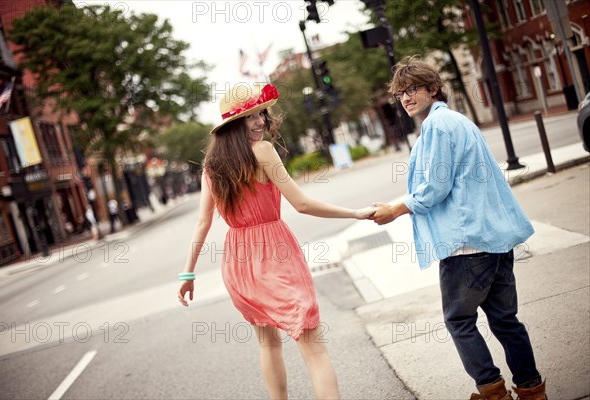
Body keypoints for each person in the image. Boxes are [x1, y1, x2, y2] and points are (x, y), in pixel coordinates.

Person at [178, 83, 376, 399]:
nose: (260, 121)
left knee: (268, 342)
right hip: (274, 255)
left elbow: (203, 221)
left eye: (261, 114)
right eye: (250, 117)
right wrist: (355, 213)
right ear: (233, 124)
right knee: (313, 345)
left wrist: (188, 274)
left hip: (238, 262)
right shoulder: (263, 152)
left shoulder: (212, 166)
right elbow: (302, 204)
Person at [372, 56, 546, 400]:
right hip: (494, 239)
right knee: (505, 320)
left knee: (459, 321)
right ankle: (532, 391)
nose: (406, 98)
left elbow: (435, 187)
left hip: (467, 244)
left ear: (434, 88)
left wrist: (394, 209)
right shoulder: (456, 122)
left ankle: (492, 392)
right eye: (401, 93)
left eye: (413, 89)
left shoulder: (438, 126)